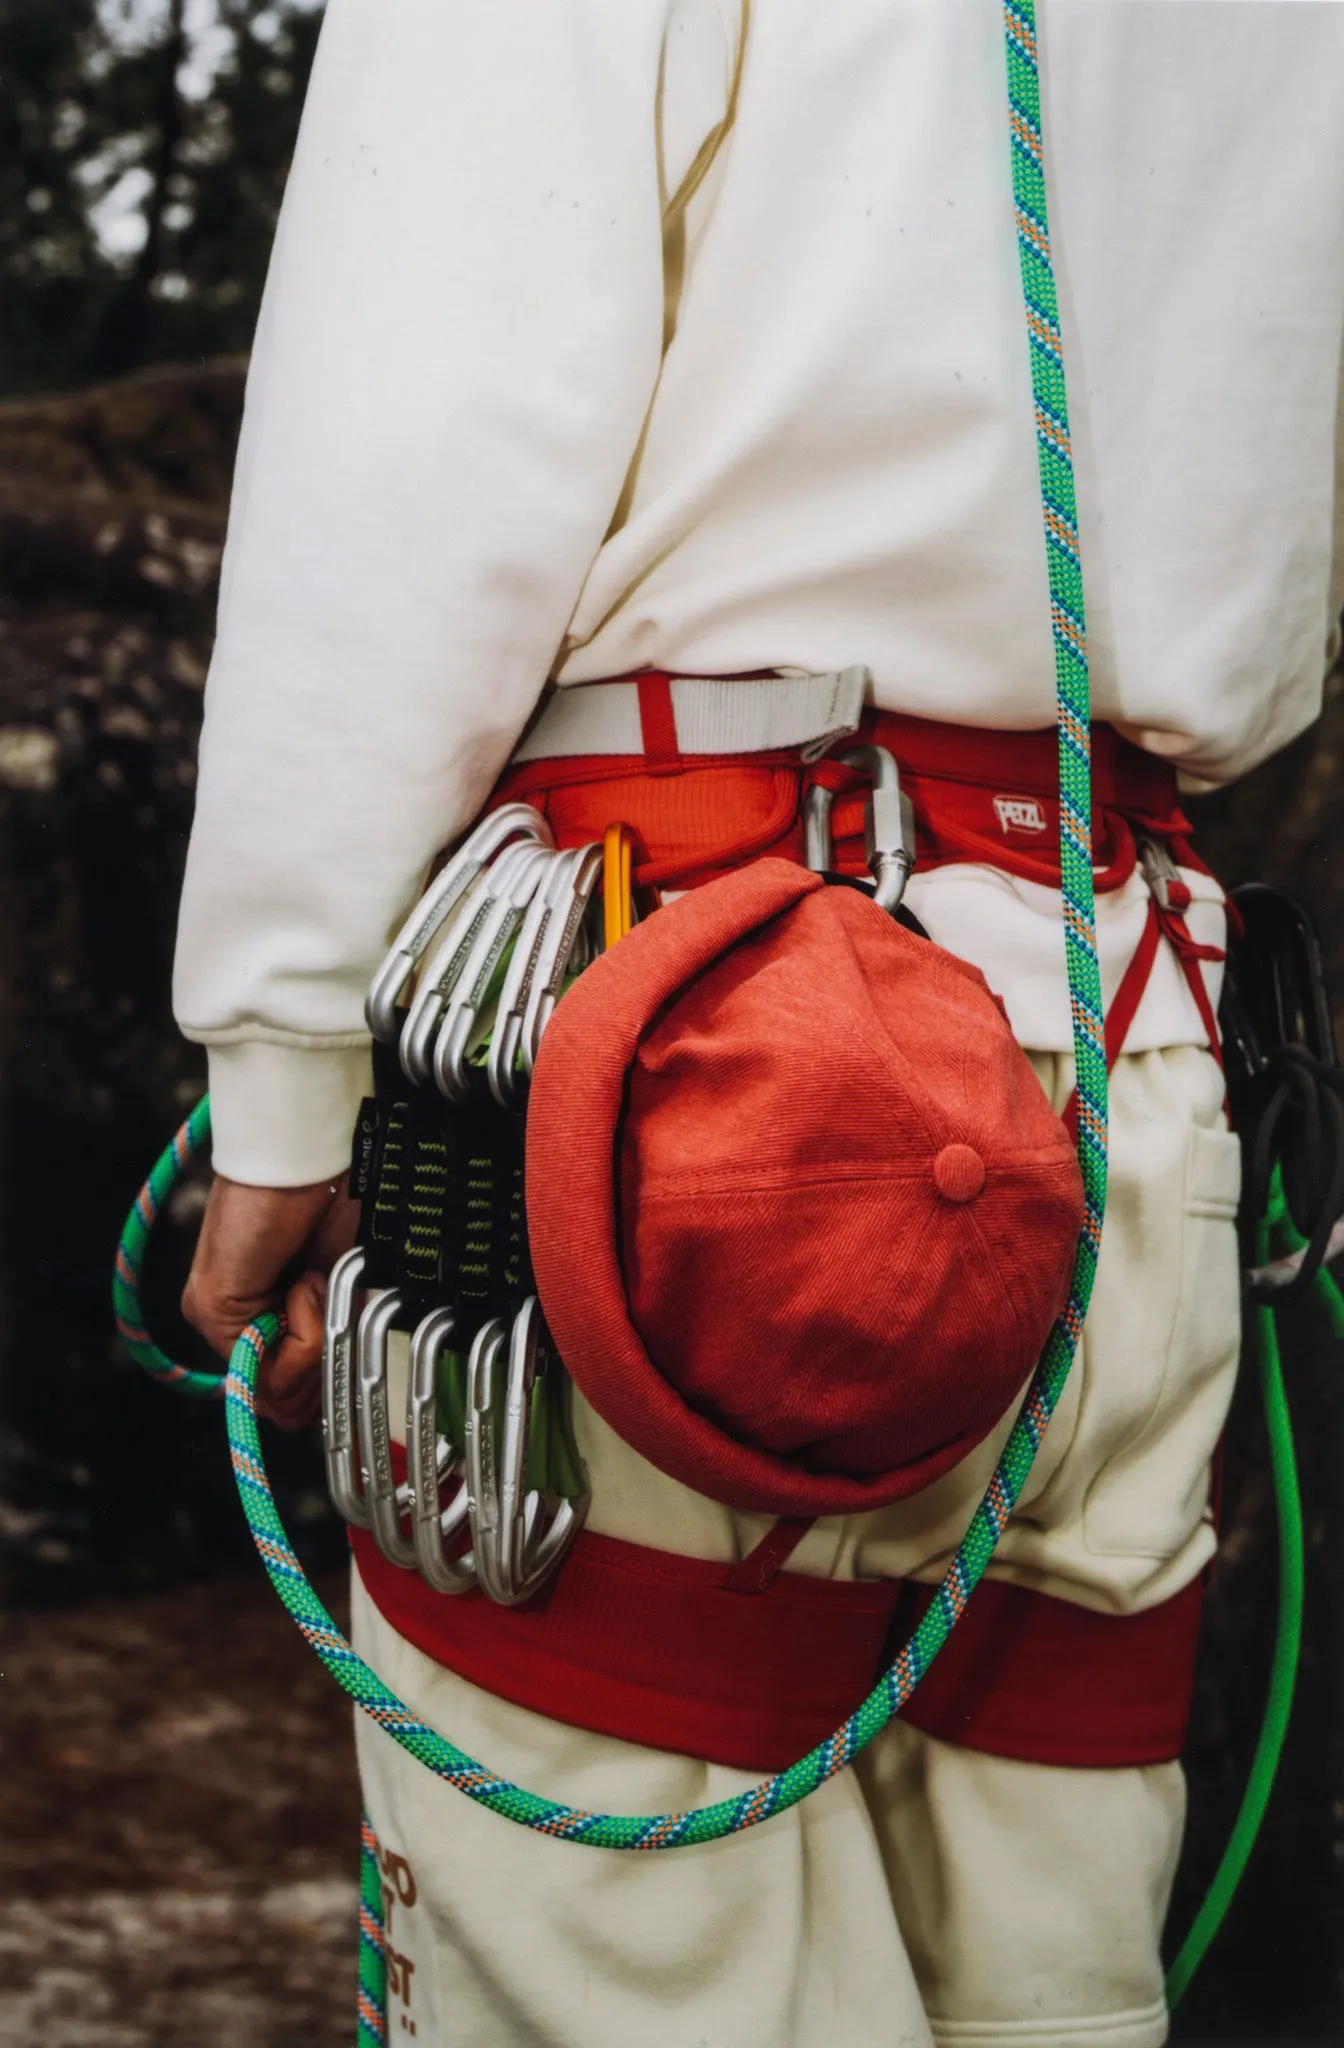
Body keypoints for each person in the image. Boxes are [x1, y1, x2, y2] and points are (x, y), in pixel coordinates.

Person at [175, 3, 1344, 2043]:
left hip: (676, 1049)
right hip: (1133, 1033)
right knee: (1053, 1991)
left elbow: (425, 418)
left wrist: (285, 1064)